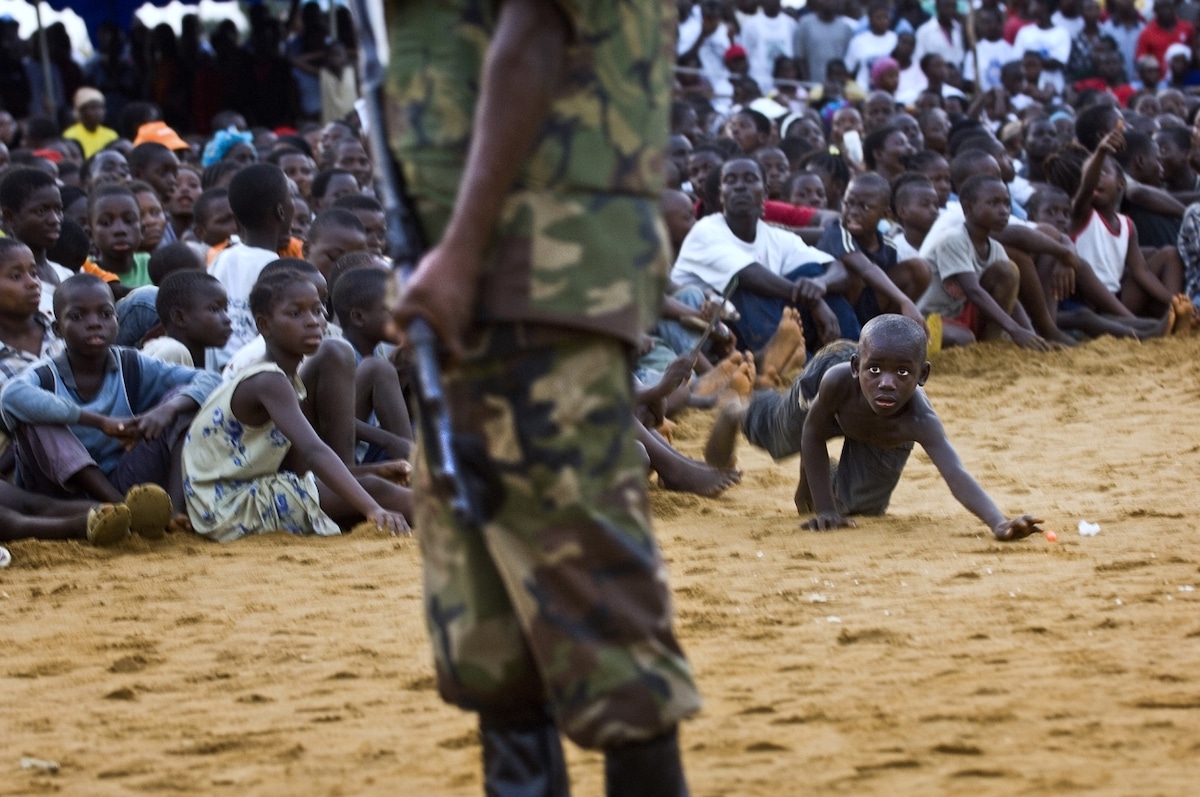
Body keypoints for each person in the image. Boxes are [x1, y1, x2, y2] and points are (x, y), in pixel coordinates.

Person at [388, 0, 701, 792]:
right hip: (480, 290)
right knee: (491, 634)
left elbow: (535, 31)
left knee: (596, 609)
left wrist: (459, 253)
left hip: (531, 277)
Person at [704, 314, 1045, 540]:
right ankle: (743, 406)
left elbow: (956, 473)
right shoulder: (837, 379)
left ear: (922, 376)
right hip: (824, 394)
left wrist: (998, 522)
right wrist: (824, 510)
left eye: (903, 373)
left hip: (879, 435)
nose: (886, 383)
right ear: (857, 368)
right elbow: (812, 431)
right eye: (875, 371)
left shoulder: (919, 420)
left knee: (858, 507)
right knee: (780, 440)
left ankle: (816, 475)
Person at [182, 271, 411, 543]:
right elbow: (314, 452)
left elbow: (301, 472)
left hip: (236, 497)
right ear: (264, 325)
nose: (313, 322)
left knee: (372, 486)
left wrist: (372, 470)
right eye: (296, 314)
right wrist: (374, 508)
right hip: (228, 508)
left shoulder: (286, 379)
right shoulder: (269, 380)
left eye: (317, 310)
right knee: (375, 492)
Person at [0, 275, 218, 530]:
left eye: (105, 314)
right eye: (77, 317)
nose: (94, 324)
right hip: (59, 493)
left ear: (117, 319)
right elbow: (11, 397)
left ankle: (173, 509)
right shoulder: (45, 375)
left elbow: (211, 379)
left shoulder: (131, 364)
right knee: (37, 417)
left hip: (125, 477)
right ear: (58, 330)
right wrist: (100, 422)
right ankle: (124, 509)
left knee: (184, 401)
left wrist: (166, 410)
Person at [672, 158, 852, 354]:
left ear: (765, 192)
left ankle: (851, 357)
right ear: (721, 195)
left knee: (812, 274)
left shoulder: (774, 236)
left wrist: (821, 284)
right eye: (730, 180)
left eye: (750, 179)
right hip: (707, 334)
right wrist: (814, 301)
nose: (740, 186)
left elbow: (837, 268)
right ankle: (798, 373)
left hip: (756, 327)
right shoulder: (705, 230)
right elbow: (748, 275)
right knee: (746, 289)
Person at [917, 173, 1051, 349]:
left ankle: (990, 344)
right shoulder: (954, 240)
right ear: (968, 208)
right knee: (963, 339)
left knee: (1007, 271)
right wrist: (1014, 330)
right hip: (931, 319)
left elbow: (1012, 299)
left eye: (1006, 203)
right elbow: (973, 290)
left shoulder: (995, 247)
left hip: (966, 317)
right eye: (994, 203)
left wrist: (1030, 334)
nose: (1004, 211)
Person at [209, 164, 294, 369]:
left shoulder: (222, 258)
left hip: (218, 371)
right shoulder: (277, 271)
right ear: (280, 211)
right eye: (290, 197)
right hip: (256, 373)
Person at [0, 168, 72, 320]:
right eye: (41, 211)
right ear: (9, 217)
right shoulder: (8, 286)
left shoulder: (67, 275)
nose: (55, 219)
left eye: (58, 210)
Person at [142, 270, 232, 369]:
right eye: (214, 309)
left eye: (225, 310)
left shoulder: (210, 357)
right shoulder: (170, 352)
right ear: (179, 317)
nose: (227, 319)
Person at [82, 184, 150, 297]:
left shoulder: (149, 265)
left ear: (142, 230)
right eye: (106, 222)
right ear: (90, 235)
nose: (120, 230)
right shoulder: (84, 270)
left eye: (128, 220)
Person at [62, 87, 119, 159]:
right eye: (93, 108)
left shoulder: (112, 135)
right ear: (81, 111)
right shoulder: (70, 135)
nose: (98, 112)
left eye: (101, 107)